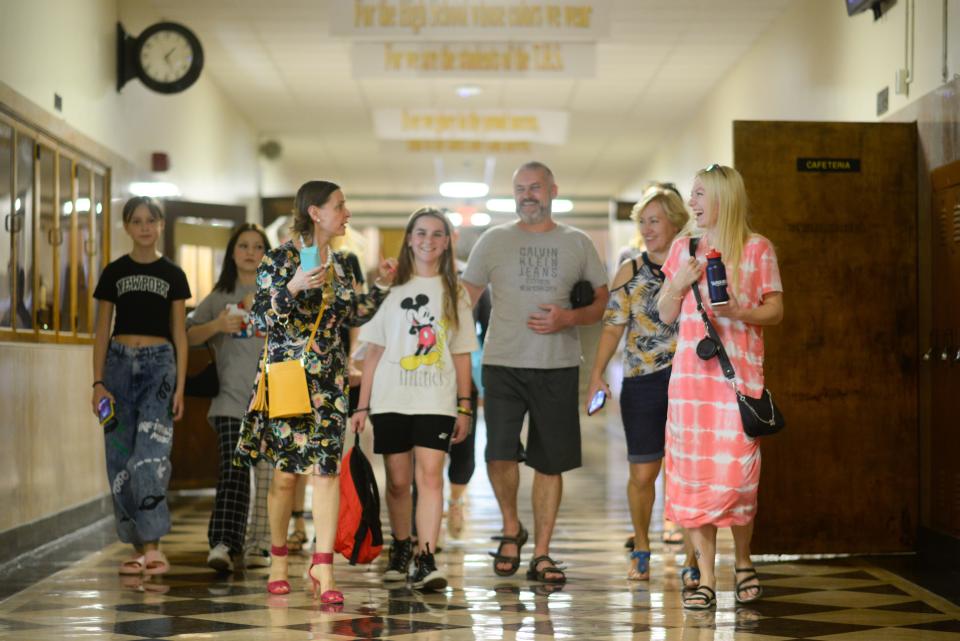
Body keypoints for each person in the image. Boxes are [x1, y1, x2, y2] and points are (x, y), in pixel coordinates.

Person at [234, 181, 396, 603]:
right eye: (340, 206)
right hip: (289, 377)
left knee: (326, 474)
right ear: (315, 212)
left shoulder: (343, 264)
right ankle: (280, 557)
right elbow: (259, 319)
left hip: (329, 381)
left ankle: (323, 567)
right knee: (286, 477)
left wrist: (379, 286)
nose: (347, 213)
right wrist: (292, 288)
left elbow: (352, 313)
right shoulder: (280, 259)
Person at [461, 161, 609, 584]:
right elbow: (463, 299)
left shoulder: (577, 243)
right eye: (521, 188)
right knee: (498, 454)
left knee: (550, 462)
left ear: (552, 190)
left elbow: (601, 303)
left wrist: (569, 318)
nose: (528, 195)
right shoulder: (493, 241)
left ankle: (542, 553)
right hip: (502, 363)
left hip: (556, 366)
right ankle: (512, 527)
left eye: (536, 187)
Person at [656, 164, 783, 610]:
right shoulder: (683, 248)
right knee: (692, 476)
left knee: (738, 476)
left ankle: (743, 560)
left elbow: (775, 311)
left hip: (738, 382)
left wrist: (737, 313)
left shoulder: (758, 249)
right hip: (691, 383)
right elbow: (666, 314)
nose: (691, 203)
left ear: (722, 199)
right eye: (691, 195)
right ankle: (707, 576)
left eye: (698, 195)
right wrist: (679, 282)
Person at [352, 207, 477, 590]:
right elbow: (371, 352)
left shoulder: (455, 291)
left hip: (436, 399)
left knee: (430, 477)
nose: (428, 240)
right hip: (391, 399)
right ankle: (402, 546)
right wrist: (362, 405)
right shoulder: (389, 288)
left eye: (437, 234)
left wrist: (464, 405)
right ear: (409, 238)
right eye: (421, 233)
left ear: (447, 241)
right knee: (397, 481)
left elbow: (461, 352)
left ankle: (426, 557)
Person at [91, 196, 190, 577]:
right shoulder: (114, 272)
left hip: (159, 367)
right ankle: (135, 545)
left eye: (151, 220)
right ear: (127, 227)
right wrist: (97, 382)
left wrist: (180, 387)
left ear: (161, 224)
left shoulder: (173, 274)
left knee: (149, 456)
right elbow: (101, 330)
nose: (145, 227)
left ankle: (154, 545)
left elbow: (180, 332)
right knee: (119, 459)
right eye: (137, 221)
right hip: (117, 366)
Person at [185, 223, 271, 573]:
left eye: (258, 247)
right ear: (232, 253)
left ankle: (262, 544)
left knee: (267, 477)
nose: (250, 252)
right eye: (243, 246)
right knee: (233, 471)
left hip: (272, 402)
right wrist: (218, 326)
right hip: (229, 400)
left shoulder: (277, 292)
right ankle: (223, 541)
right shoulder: (219, 296)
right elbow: (188, 335)